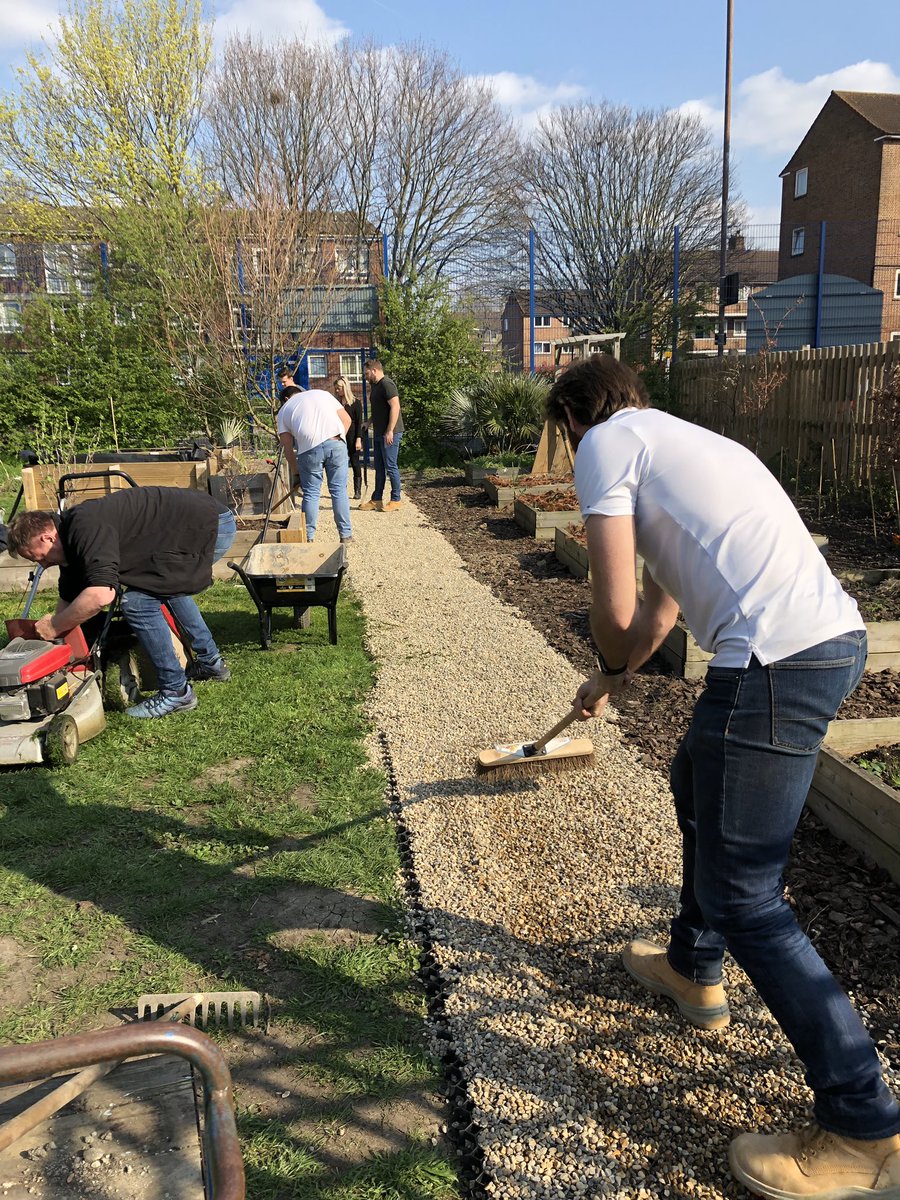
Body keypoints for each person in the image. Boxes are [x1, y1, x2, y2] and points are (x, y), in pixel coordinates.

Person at [546, 355, 900, 1199]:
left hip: (773, 660)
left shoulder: (602, 447)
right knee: (692, 784)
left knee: (748, 895)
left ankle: (866, 1128)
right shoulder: (682, 442)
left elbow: (619, 607)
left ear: (573, 420)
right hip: (823, 641)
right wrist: (611, 679)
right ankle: (693, 968)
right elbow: (664, 607)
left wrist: (604, 644)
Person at [8, 488, 236, 719]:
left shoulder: (85, 527)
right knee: (166, 586)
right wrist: (55, 642)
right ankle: (211, 663)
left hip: (207, 526)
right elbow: (69, 597)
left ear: (47, 537)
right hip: (190, 525)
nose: (44, 565)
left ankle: (176, 691)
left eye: (40, 557)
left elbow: (100, 596)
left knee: (137, 603)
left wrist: (55, 626)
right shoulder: (69, 539)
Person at [277, 384, 353, 544]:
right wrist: (337, 441)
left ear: (285, 399)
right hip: (336, 441)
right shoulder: (323, 394)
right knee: (339, 490)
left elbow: (287, 447)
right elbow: (347, 420)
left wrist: (295, 470)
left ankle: (308, 537)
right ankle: (345, 535)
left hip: (309, 448)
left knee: (311, 493)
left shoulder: (284, 410)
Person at [359, 359, 403, 512]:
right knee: (379, 467)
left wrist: (390, 430)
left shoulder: (387, 384)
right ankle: (376, 499)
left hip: (390, 433)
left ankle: (396, 499)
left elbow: (395, 406)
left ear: (374, 370)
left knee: (391, 466)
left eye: (366, 373)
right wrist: (369, 422)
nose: (365, 376)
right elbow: (379, 409)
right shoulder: (375, 386)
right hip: (378, 432)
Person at [334, 375, 364, 500]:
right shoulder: (336, 403)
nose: (337, 391)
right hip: (340, 435)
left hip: (352, 435)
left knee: (355, 462)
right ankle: (342, 489)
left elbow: (359, 422)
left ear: (345, 388)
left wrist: (358, 438)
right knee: (340, 463)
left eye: (339, 388)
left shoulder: (356, 403)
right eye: (335, 388)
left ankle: (357, 491)